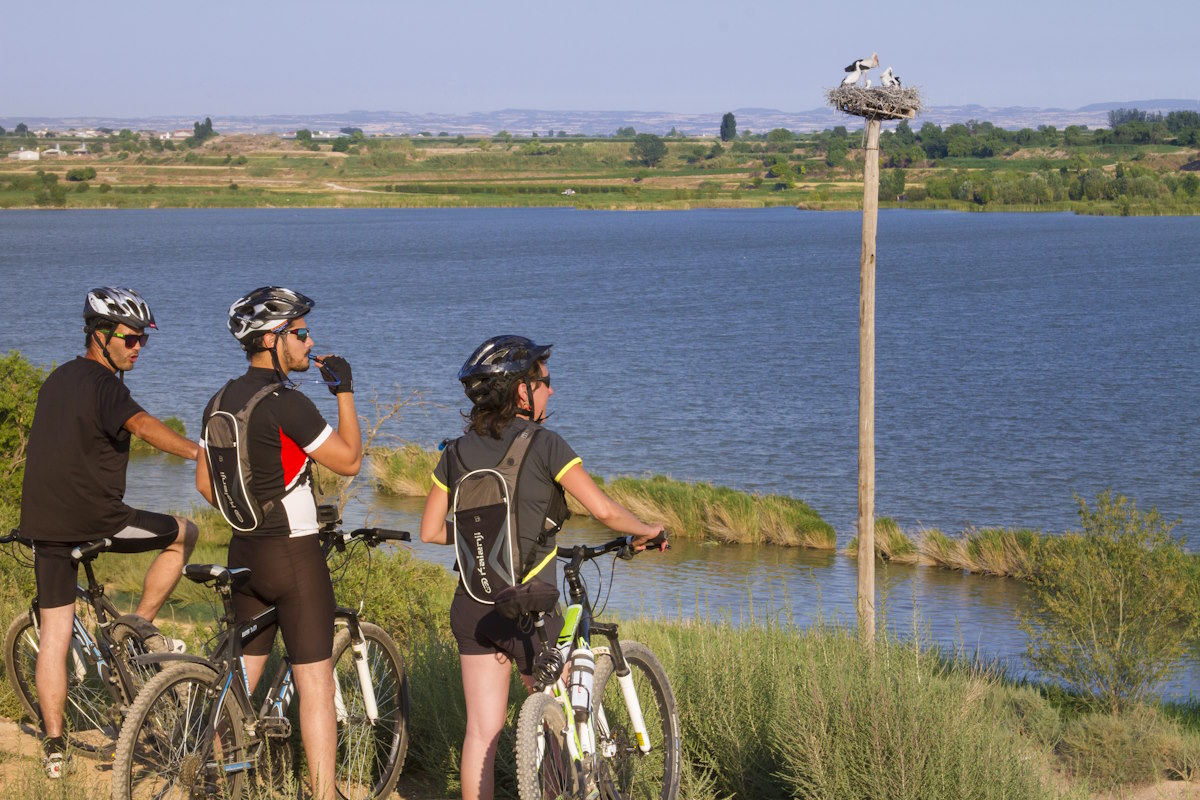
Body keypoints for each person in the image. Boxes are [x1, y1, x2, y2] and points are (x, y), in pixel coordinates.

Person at [419, 335, 663, 800]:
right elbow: (605, 512)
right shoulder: (546, 444)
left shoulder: (454, 452)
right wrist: (647, 529)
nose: (552, 391)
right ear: (520, 391)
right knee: (561, 720)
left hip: (473, 607)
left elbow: (431, 530)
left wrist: (486, 535)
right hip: (530, 607)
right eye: (545, 382)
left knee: (481, 734)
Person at [19, 287, 200, 779]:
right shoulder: (107, 386)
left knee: (54, 634)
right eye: (130, 338)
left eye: (143, 339)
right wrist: (202, 454)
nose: (137, 346)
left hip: (43, 526)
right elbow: (141, 425)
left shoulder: (56, 379)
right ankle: (136, 630)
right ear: (99, 336)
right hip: (99, 521)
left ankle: (54, 748)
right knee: (186, 531)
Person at [195, 286, 360, 800]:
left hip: (243, 550)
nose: (310, 343)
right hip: (292, 554)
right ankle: (325, 793)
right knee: (315, 683)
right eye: (301, 333)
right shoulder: (288, 402)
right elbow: (350, 460)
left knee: (240, 682)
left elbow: (205, 484)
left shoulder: (219, 399)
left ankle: (226, 781)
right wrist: (345, 391)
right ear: (271, 339)